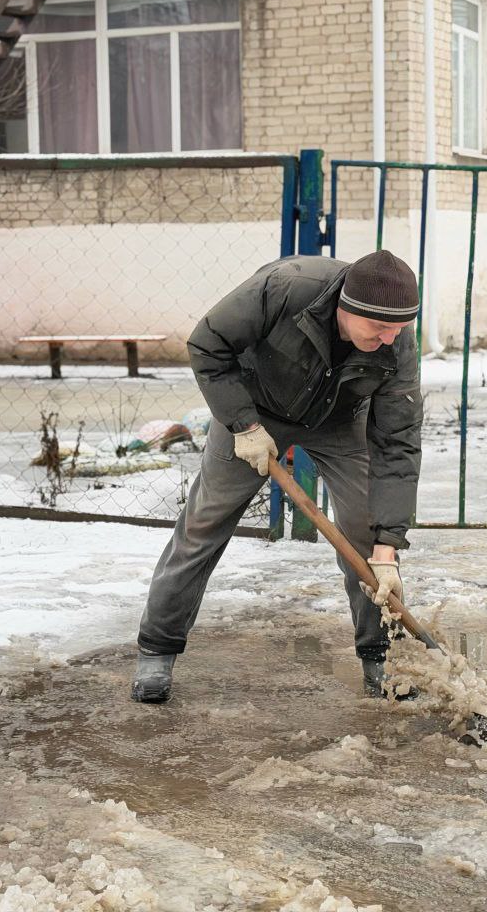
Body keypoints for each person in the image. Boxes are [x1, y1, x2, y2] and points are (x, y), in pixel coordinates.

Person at [131, 249, 424, 703]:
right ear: (347, 308)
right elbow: (207, 344)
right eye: (378, 328)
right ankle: (157, 649)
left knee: (367, 536)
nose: (389, 339)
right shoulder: (286, 288)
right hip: (254, 409)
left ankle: (379, 660)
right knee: (204, 524)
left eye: (398, 329)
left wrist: (388, 544)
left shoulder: (397, 343)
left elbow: (397, 443)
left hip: (339, 418)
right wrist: (243, 425)